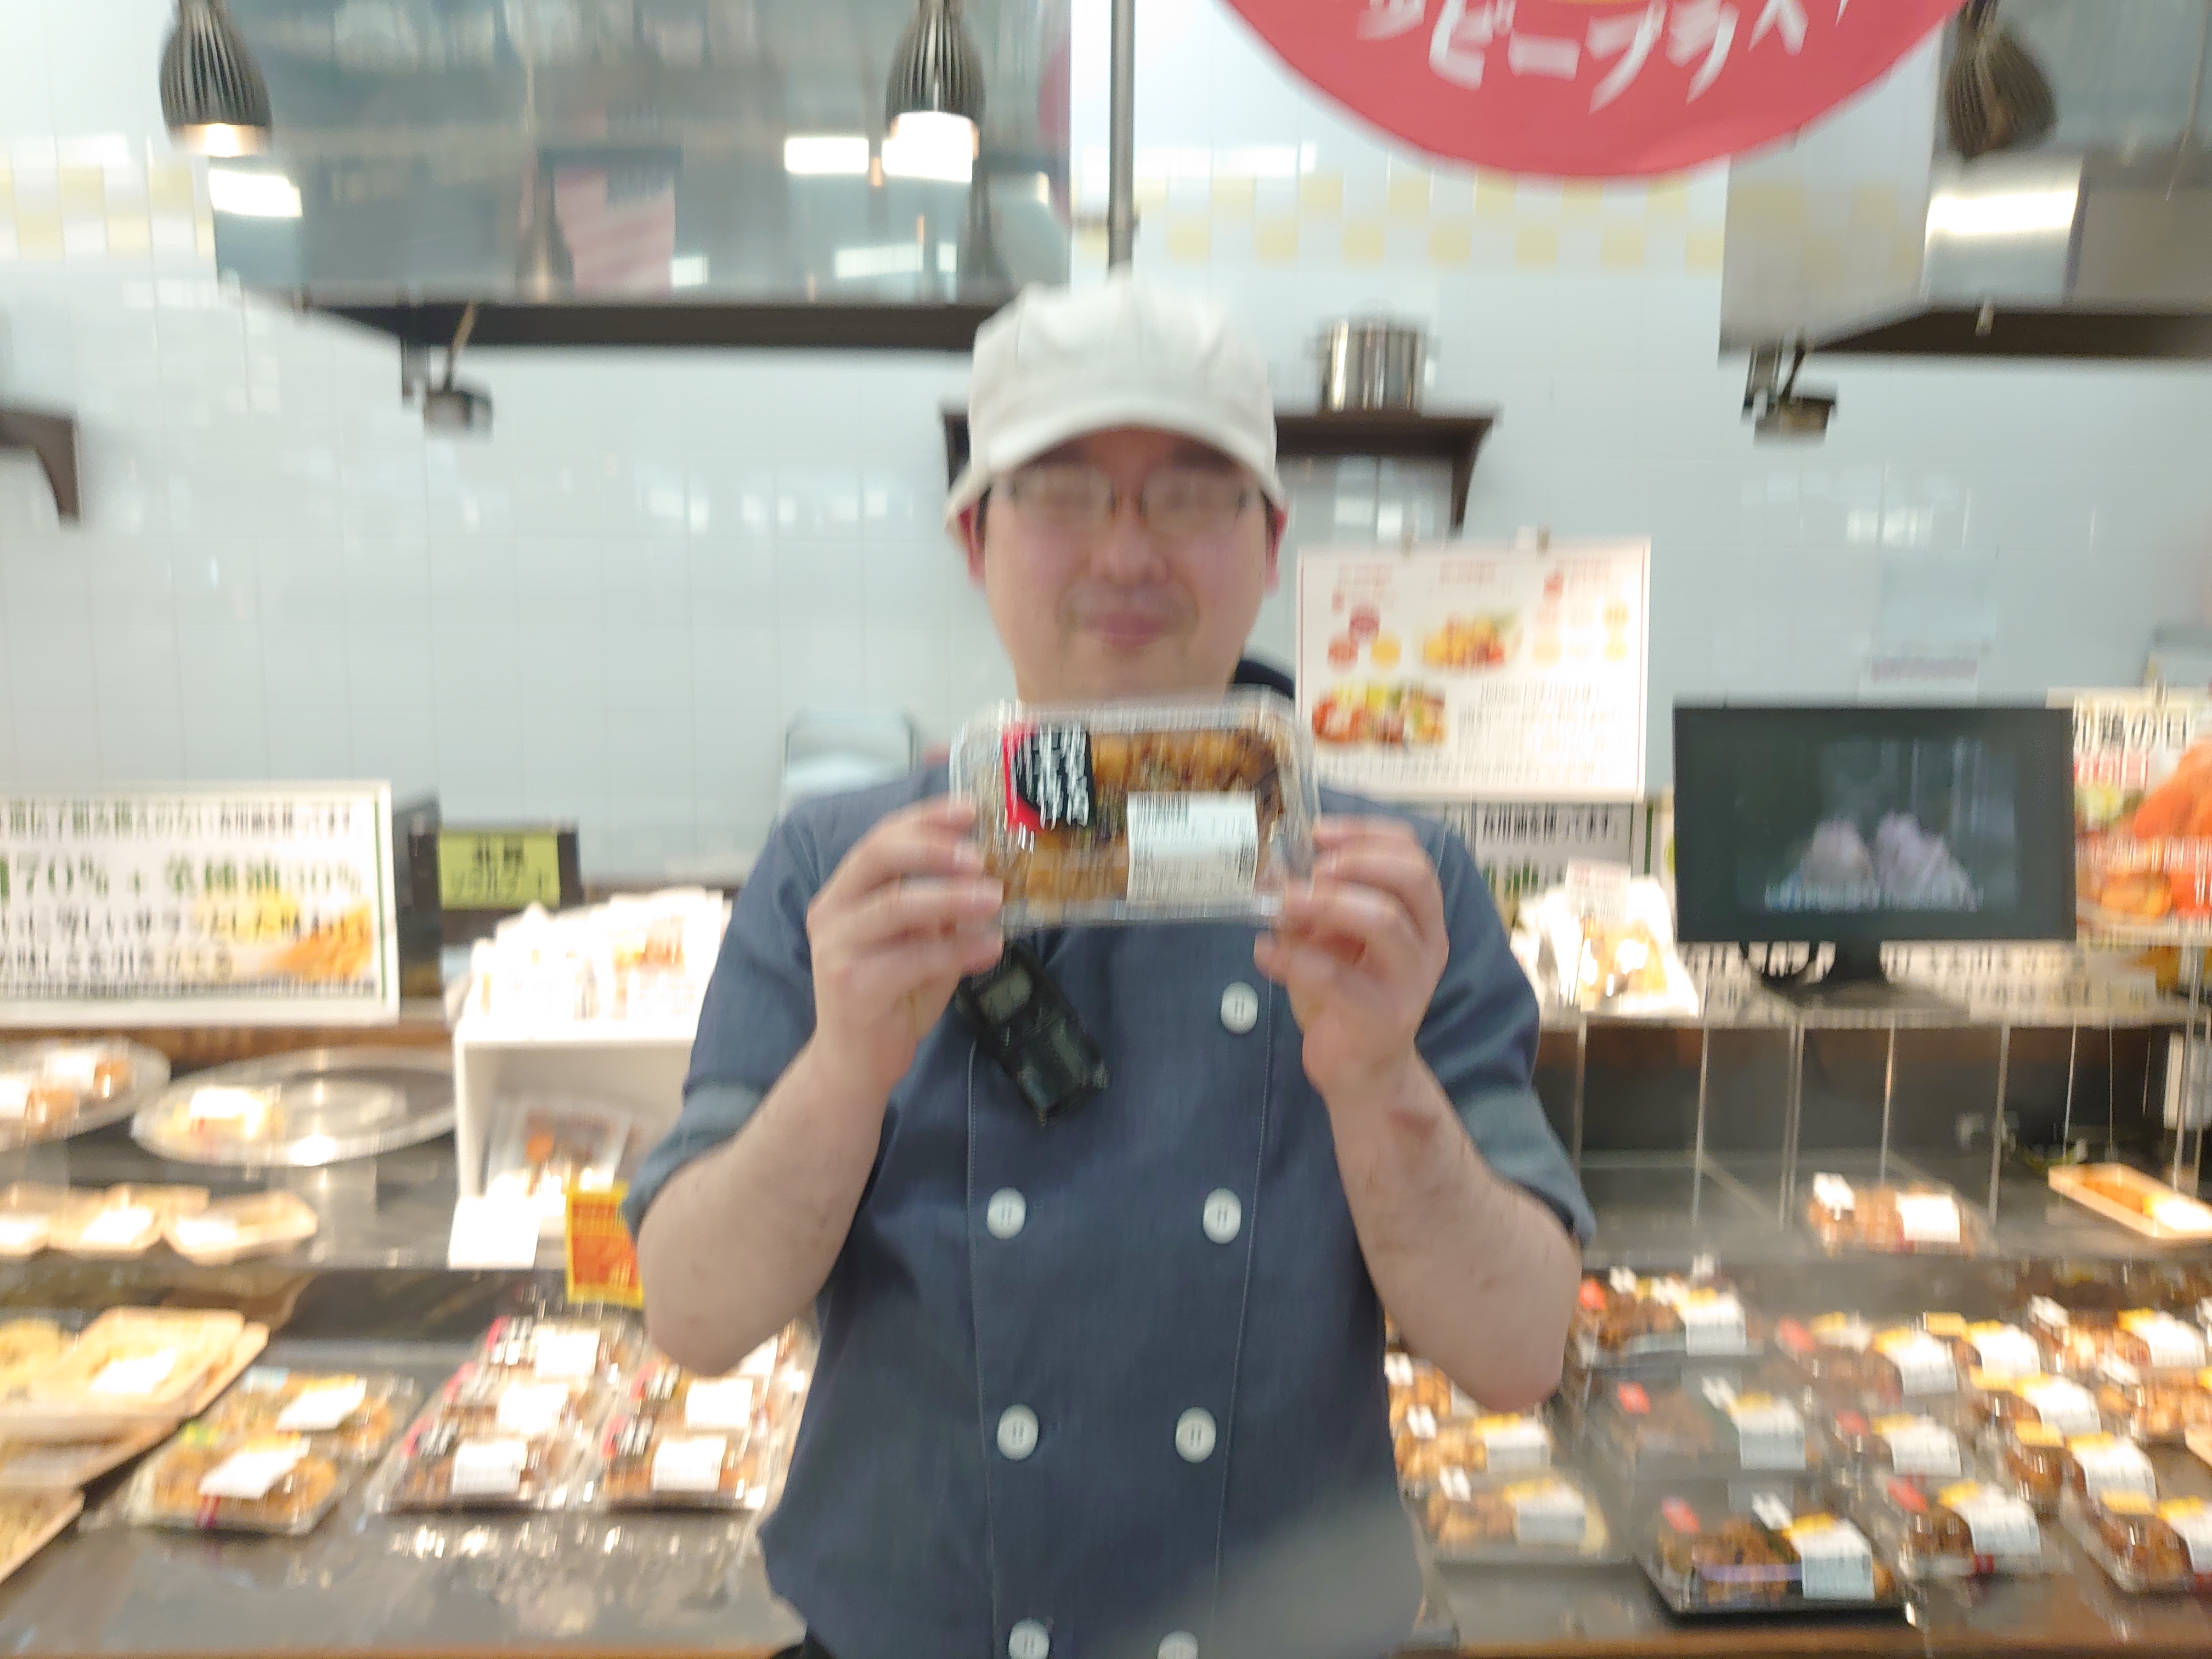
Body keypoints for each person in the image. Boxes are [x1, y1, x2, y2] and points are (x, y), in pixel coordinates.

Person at [625, 276, 1592, 1659]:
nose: (1128, 553)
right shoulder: (839, 871)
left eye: (1190, 497)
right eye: (1064, 494)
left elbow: (1516, 1350)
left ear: (1269, 542)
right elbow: (695, 1313)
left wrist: (1382, 1081)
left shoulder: (1394, 887)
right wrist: (845, 1067)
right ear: (975, 539)